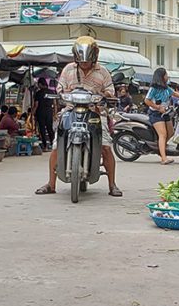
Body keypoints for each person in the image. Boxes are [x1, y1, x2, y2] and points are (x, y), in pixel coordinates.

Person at [34, 36, 122, 197]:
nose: (84, 64)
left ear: (94, 57)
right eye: (81, 61)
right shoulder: (68, 69)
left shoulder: (103, 71)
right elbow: (60, 89)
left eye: (87, 61)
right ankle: (51, 184)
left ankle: (112, 185)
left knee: (106, 146)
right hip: (70, 111)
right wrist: (61, 95)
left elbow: (110, 91)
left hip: (95, 112)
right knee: (56, 145)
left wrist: (105, 95)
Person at [144, 67, 179, 165]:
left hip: (166, 113)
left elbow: (175, 93)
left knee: (171, 132)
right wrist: (158, 107)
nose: (167, 77)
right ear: (161, 77)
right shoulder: (153, 88)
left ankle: (160, 147)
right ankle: (163, 158)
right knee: (163, 134)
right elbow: (147, 101)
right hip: (155, 114)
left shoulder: (166, 88)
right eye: (166, 75)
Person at [34, 78, 55, 150]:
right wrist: (55, 113)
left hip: (40, 112)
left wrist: (32, 113)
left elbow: (36, 104)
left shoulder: (38, 93)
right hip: (49, 111)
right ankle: (53, 144)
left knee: (42, 129)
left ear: (40, 84)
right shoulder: (51, 92)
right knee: (50, 128)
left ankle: (45, 146)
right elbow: (55, 103)